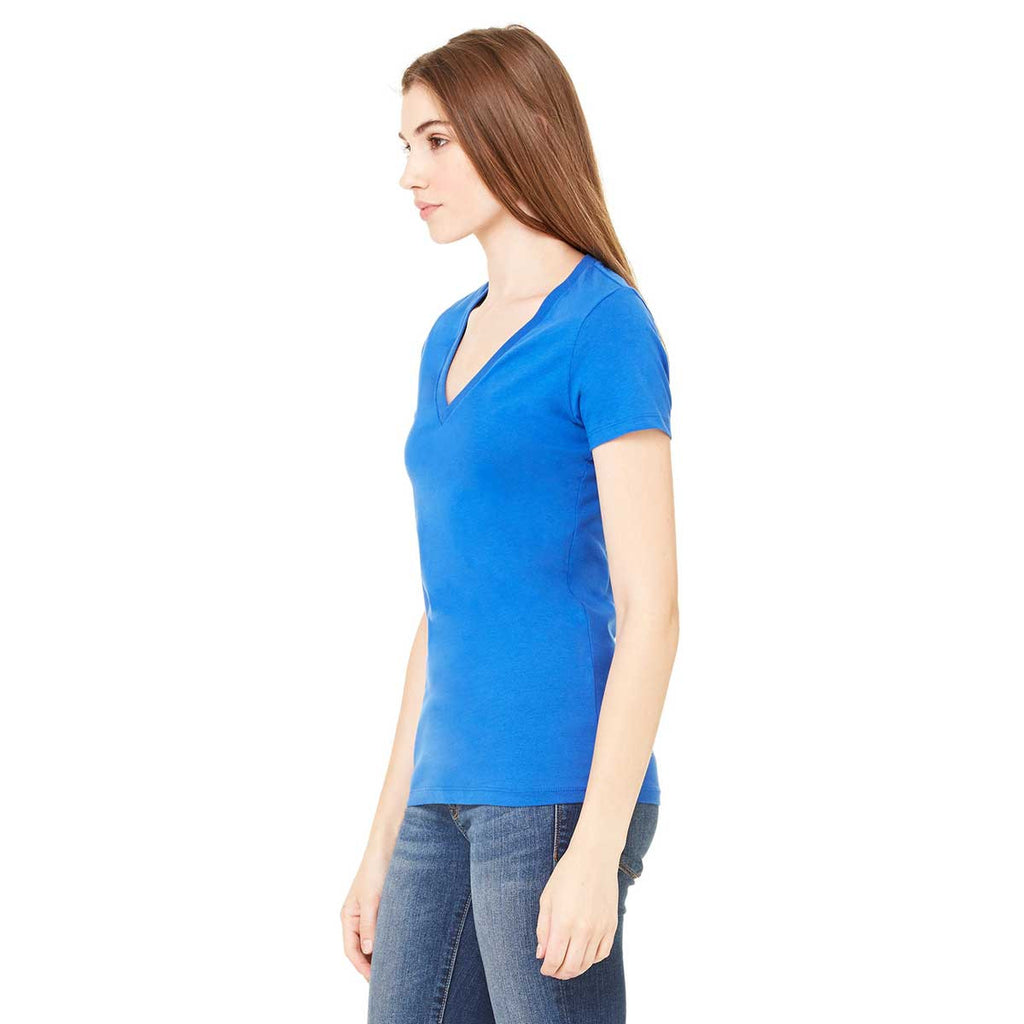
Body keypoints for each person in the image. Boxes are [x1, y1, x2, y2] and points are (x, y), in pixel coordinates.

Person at [342, 25, 679, 1023]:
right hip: (439, 797)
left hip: (556, 793)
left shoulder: (603, 326)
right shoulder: (446, 336)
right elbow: (446, 610)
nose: (411, 173)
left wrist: (596, 849)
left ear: (515, 128)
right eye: (406, 145)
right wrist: (381, 839)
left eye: (436, 141)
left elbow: (652, 610)